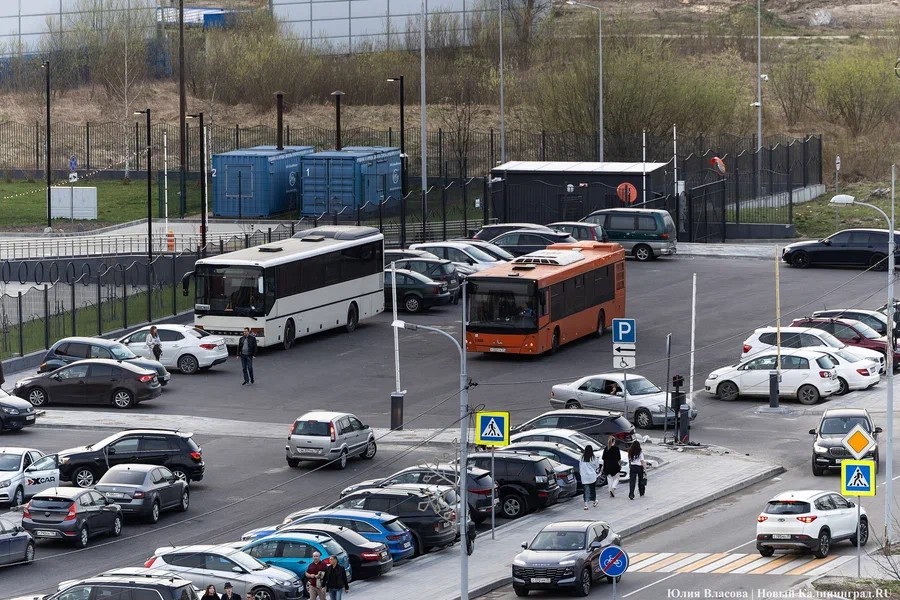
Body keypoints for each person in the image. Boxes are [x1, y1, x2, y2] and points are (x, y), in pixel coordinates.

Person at [578, 444, 600, 509]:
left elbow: (580, 466)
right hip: (592, 476)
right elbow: (597, 466)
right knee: (592, 489)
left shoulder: (582, 458)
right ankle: (594, 501)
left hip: (584, 476)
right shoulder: (593, 457)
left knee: (586, 490)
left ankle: (585, 505)